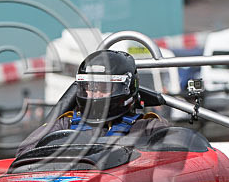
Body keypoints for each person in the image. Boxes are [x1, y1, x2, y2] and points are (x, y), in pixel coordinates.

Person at [16, 50, 168, 157]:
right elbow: (24, 154)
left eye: (103, 87)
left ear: (126, 88)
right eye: (89, 87)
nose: (95, 94)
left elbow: (174, 157)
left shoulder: (148, 127)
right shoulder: (65, 124)